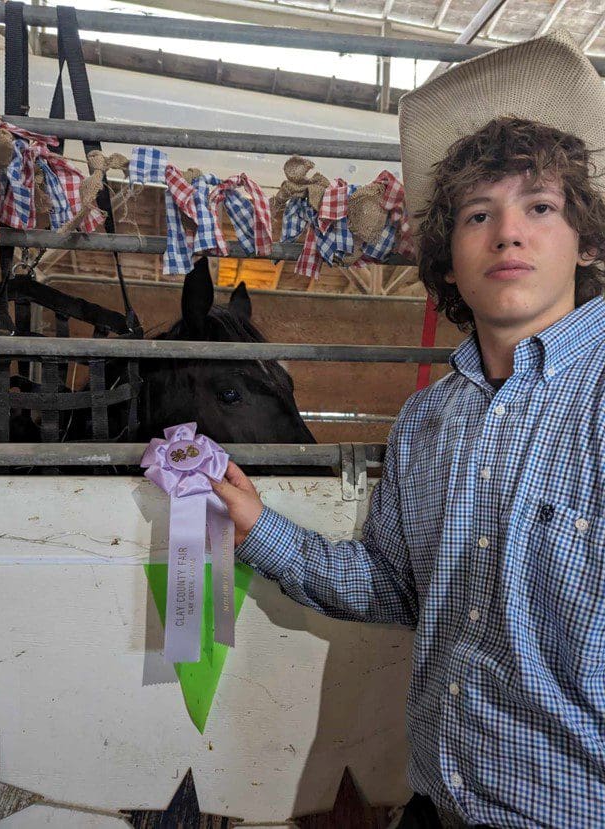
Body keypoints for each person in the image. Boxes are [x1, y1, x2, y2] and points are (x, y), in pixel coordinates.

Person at [211, 30, 605, 829]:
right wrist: (256, 527)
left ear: (587, 241)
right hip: (435, 806)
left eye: (539, 207)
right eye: (478, 214)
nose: (508, 233)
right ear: (447, 258)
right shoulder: (428, 419)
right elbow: (392, 585)